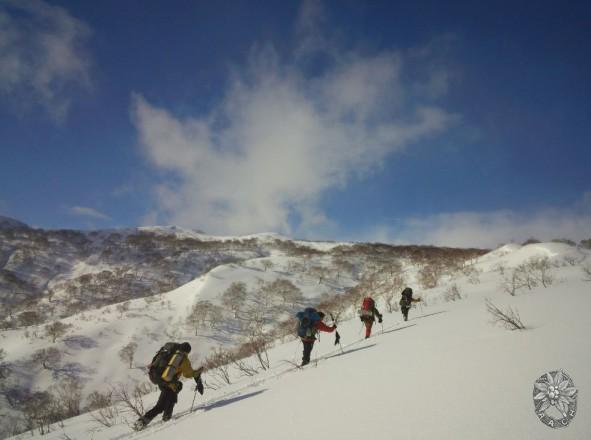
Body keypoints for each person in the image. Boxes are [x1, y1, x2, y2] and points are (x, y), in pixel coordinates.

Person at [134, 342, 204, 431]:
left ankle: (167, 416)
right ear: (187, 351)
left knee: (176, 388)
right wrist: (198, 373)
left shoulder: (168, 352)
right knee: (160, 406)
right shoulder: (182, 358)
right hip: (168, 382)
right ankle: (141, 422)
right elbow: (188, 374)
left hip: (159, 378)